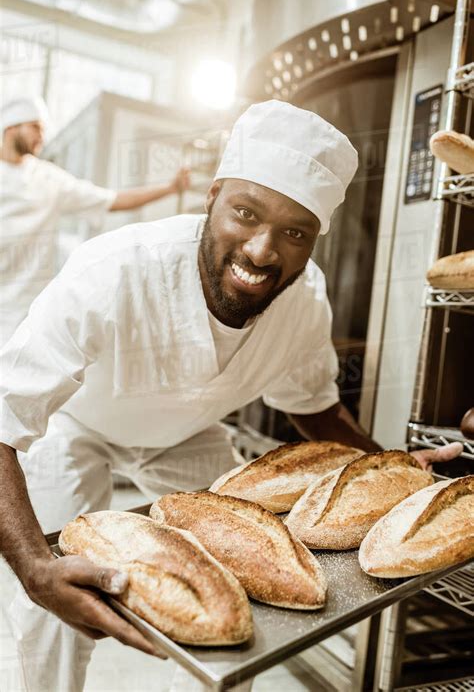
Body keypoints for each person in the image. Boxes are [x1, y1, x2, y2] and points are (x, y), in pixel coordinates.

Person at [0, 100, 461, 692]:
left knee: (247, 594)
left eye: (295, 232)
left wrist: (396, 466)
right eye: (245, 212)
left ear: (315, 238)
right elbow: (4, 416)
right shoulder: (115, 272)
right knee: (59, 599)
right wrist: (35, 567)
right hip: (76, 426)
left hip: (188, 435)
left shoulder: (303, 303)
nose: (263, 251)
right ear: (212, 197)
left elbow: (315, 407)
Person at [0, 95, 190, 346]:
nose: (42, 137)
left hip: (22, 314)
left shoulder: (48, 180)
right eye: (36, 127)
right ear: (11, 126)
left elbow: (113, 200)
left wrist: (170, 189)